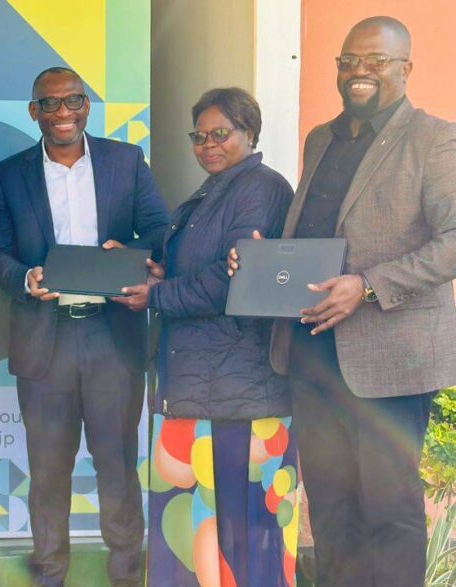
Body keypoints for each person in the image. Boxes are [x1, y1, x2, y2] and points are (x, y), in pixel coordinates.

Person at [229, 16, 456, 587]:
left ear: (405, 68)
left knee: (387, 510)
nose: (359, 72)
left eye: (375, 61)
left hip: (390, 361)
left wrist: (371, 284)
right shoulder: (321, 138)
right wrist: (262, 257)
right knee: (329, 509)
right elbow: (317, 232)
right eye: (348, 61)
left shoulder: (435, 139)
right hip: (312, 352)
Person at [0, 67, 170, 587]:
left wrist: (132, 253)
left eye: (74, 101)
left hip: (113, 336)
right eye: (51, 103)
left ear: (87, 105)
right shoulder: (9, 173)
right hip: (45, 337)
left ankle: (128, 577)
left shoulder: (125, 161)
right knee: (47, 471)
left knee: (116, 465)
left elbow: (160, 228)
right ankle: (49, 575)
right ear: (33, 111)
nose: (64, 112)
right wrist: (25, 278)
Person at [113, 88, 296, 586]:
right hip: (198, 387)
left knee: (239, 533)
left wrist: (155, 295)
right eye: (200, 136)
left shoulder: (260, 188)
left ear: (250, 134)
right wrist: (158, 271)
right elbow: (202, 266)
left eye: (221, 134)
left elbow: (231, 280)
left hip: (238, 395)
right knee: (196, 535)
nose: (208, 145)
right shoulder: (216, 189)